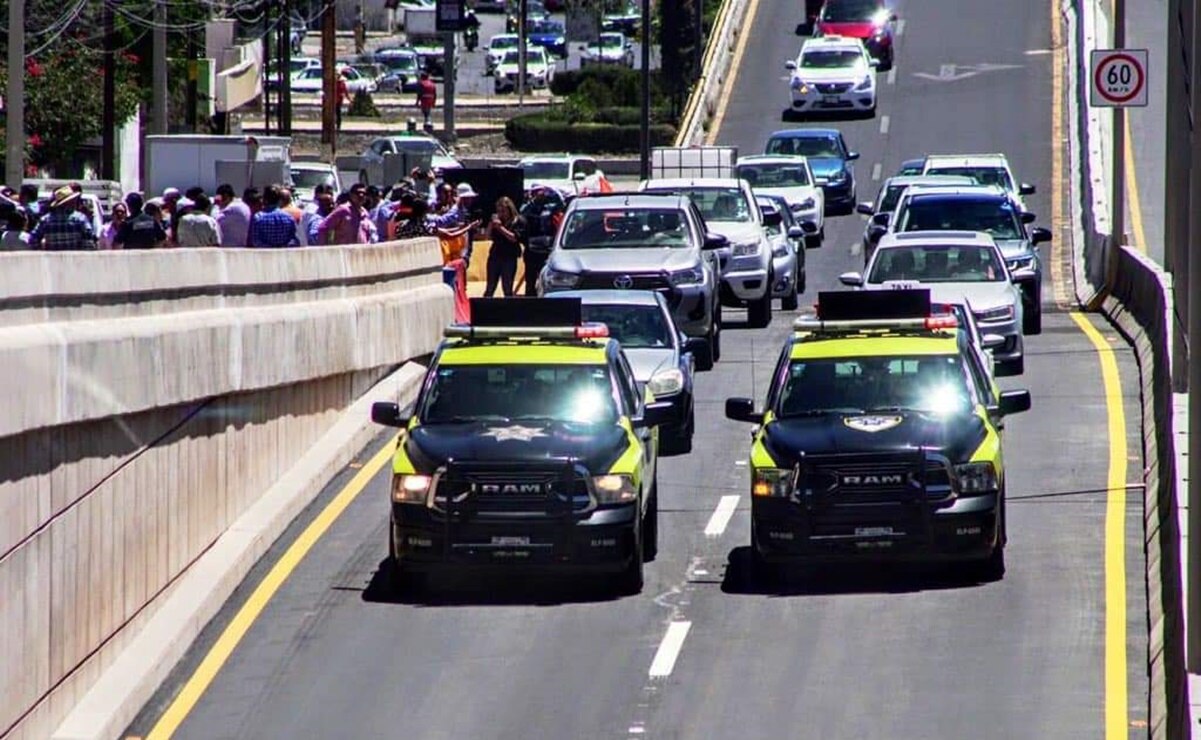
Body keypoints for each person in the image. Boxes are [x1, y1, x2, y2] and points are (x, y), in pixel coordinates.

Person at [520, 185, 565, 296]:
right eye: (536, 192)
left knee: (545, 279)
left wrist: (553, 191)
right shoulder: (528, 208)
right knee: (530, 281)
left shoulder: (550, 208)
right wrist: (534, 201)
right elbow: (522, 213)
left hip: (546, 250)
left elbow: (562, 205)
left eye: (541, 192)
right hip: (531, 250)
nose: (540, 195)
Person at [30, 186, 97, 250]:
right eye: (73, 200)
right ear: (69, 202)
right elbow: (89, 243)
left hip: (51, 260)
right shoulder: (80, 219)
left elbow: (33, 240)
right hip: (75, 260)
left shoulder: (45, 220)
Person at [484, 196, 525, 297]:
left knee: (507, 287)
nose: (501, 213)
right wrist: (491, 225)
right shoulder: (497, 221)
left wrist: (500, 228)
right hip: (495, 255)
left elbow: (514, 238)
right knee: (490, 287)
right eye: (499, 211)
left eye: (503, 211)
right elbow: (487, 237)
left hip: (509, 257)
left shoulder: (517, 221)